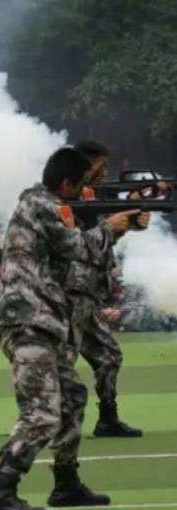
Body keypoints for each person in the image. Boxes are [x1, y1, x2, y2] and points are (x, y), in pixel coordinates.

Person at [0, 147, 144, 510]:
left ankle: (66, 483)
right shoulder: (43, 206)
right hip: (28, 320)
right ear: (67, 183)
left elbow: (81, 254)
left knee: (72, 397)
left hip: (43, 321)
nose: (86, 191)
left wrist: (117, 229)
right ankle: (2, 491)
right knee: (41, 413)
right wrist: (112, 227)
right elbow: (78, 246)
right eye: (82, 184)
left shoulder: (43, 205)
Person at [71, 141, 142, 437]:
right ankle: (42, 423)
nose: (105, 172)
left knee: (109, 355)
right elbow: (77, 244)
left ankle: (108, 418)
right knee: (58, 365)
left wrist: (128, 220)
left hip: (85, 296)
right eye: (100, 165)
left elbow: (101, 241)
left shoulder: (88, 195)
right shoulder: (61, 199)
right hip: (63, 297)